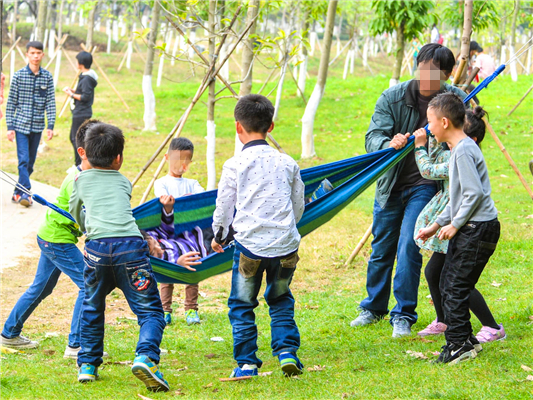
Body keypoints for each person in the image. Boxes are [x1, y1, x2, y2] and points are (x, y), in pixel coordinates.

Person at [351, 43, 467, 338]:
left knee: (409, 246)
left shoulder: (455, 99)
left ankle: (403, 314)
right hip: (390, 184)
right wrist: (388, 143)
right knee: (382, 248)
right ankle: (373, 308)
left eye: (436, 74)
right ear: (417, 66)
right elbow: (372, 137)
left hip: (426, 185)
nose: (428, 78)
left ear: (447, 75)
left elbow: (468, 133)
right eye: (424, 70)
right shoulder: (393, 97)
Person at [69, 122, 169, 392]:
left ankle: (88, 365)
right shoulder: (124, 182)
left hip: (97, 251)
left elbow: (76, 211)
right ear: (119, 158)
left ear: (85, 154)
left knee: (92, 307)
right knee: (150, 311)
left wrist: (84, 227)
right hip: (130, 251)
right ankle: (146, 357)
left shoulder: (78, 180)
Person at [211, 94, 305, 378]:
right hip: (286, 247)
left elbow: (224, 206)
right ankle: (287, 352)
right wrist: (287, 228)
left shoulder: (234, 165)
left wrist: (218, 235)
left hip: (249, 247)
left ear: (238, 127)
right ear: (271, 126)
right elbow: (298, 204)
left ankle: (247, 364)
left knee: (241, 304)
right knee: (280, 299)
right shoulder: (287, 162)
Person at [0, 119, 98, 359]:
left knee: (41, 288)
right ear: (83, 152)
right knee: (88, 286)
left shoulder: (83, 175)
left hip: (50, 235)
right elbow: (84, 217)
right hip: (57, 239)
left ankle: (9, 333)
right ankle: (76, 346)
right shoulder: (79, 179)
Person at [416, 92, 500, 364]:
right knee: (450, 284)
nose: (428, 128)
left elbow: (473, 194)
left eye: (430, 122)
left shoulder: (463, 149)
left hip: (478, 228)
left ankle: (458, 345)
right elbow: (458, 195)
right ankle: (464, 341)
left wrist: (455, 224)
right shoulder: (459, 149)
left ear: (443, 122)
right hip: (475, 226)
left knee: (454, 286)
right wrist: (437, 223)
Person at [154, 137, 205, 326]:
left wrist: (181, 200)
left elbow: (202, 197)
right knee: (168, 271)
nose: (181, 164)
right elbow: (163, 199)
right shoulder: (161, 182)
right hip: (168, 235)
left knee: (192, 269)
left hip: (190, 236)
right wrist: (183, 200)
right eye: (178, 159)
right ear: (167, 158)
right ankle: (165, 310)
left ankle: (191, 309)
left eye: (186, 160)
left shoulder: (193, 183)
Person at [6, 41, 55, 207]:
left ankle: (16, 193)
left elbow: (51, 102)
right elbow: (11, 102)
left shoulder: (47, 77)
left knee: (30, 164)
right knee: (23, 161)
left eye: (38, 53)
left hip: (37, 126)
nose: (35, 56)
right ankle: (26, 192)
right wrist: (10, 127)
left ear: (42, 55)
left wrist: (51, 125)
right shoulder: (19, 76)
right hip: (20, 125)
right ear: (27, 54)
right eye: (32, 53)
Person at [63, 51, 98, 166]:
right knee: (75, 138)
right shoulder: (85, 76)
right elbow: (83, 92)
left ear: (81, 63)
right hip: (79, 111)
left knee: (76, 139)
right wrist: (73, 91)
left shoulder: (87, 78)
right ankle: (80, 163)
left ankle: (80, 164)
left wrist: (71, 95)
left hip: (82, 112)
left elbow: (85, 97)